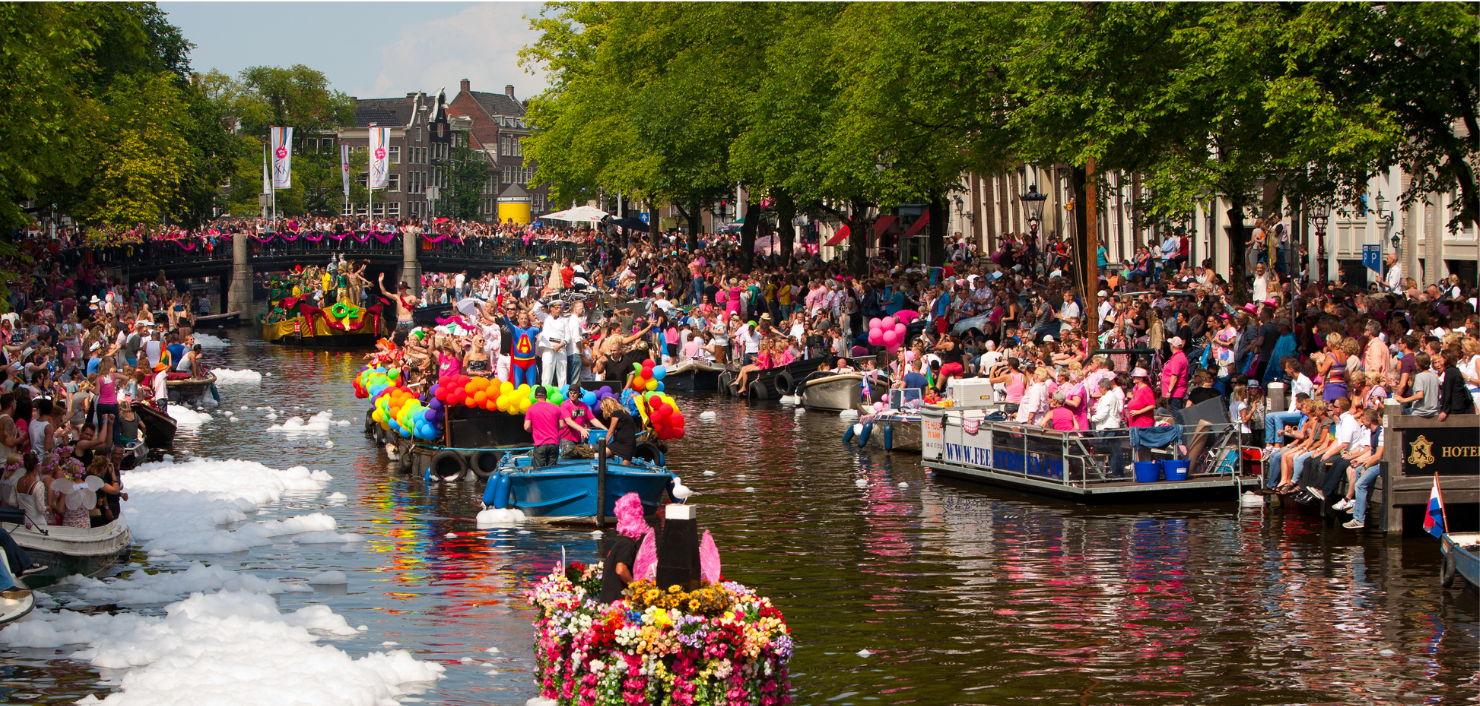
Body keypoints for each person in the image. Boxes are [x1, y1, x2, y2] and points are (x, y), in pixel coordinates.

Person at [598, 492, 648, 603]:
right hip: (616, 603)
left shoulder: (619, 543)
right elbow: (621, 570)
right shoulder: (627, 545)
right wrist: (635, 587)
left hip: (607, 601)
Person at [524, 386, 563, 468]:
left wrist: (534, 429)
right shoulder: (556, 407)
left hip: (540, 443)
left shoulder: (531, 409)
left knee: (538, 471)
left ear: (535, 396)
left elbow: (527, 426)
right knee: (552, 471)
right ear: (546, 395)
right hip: (554, 443)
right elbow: (562, 425)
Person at [599, 396, 637, 463]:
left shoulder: (616, 413)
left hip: (626, 443)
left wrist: (604, 444)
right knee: (602, 454)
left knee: (602, 453)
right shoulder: (622, 411)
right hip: (620, 443)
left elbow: (611, 431)